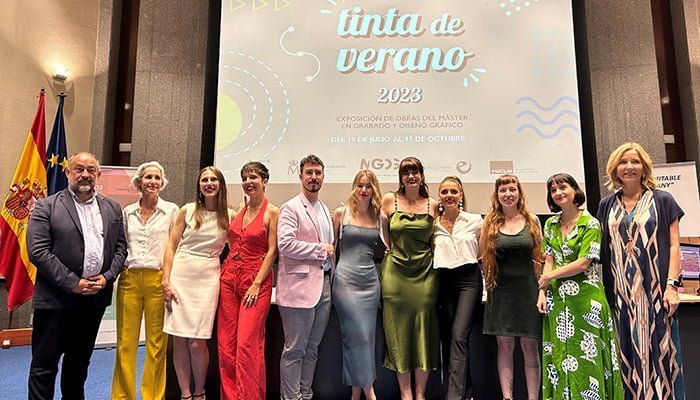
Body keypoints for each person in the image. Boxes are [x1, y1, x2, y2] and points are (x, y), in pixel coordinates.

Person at [27, 152, 127, 400]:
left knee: (78, 365)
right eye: (79, 169)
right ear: (68, 173)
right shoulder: (46, 206)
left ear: (98, 174)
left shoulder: (112, 208)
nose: (85, 175)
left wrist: (107, 277)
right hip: (56, 300)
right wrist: (73, 283)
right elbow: (38, 251)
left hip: (93, 301)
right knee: (44, 366)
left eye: (91, 170)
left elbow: (120, 248)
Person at [597, 142, 685, 399]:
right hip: (620, 297)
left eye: (635, 161)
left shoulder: (663, 200)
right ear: (615, 168)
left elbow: (674, 246)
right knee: (625, 355)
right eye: (623, 162)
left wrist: (672, 286)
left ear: (644, 167)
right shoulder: (606, 205)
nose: (629, 167)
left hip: (655, 294)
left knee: (662, 355)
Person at [536, 173, 623, 399]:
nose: (558, 193)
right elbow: (549, 260)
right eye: (553, 190)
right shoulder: (550, 224)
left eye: (562, 187)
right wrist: (542, 292)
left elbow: (584, 263)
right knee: (559, 354)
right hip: (557, 300)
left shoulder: (590, 223)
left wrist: (549, 277)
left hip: (586, 300)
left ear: (575, 190)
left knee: (587, 356)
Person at [112, 161, 179, 400]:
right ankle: (123, 396)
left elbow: (175, 247)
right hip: (130, 279)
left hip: (158, 280)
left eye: (157, 178)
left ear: (162, 183)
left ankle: (153, 396)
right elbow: (120, 244)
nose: (153, 181)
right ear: (139, 182)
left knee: (157, 344)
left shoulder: (172, 211)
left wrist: (168, 279)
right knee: (125, 343)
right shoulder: (127, 212)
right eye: (148, 177)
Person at [162, 166, 230, 400]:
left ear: (220, 185)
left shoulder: (229, 215)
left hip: (208, 278)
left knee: (197, 343)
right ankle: (185, 394)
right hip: (181, 275)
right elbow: (171, 246)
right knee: (179, 339)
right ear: (199, 186)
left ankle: (200, 392)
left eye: (213, 180)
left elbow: (241, 246)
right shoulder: (187, 210)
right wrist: (165, 280)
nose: (209, 183)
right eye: (204, 180)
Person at [217, 161, 279, 400]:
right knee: (226, 346)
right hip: (229, 278)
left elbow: (272, 251)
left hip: (256, 281)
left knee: (246, 345)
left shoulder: (272, 212)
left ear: (264, 181)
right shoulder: (238, 209)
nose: (248, 182)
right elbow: (232, 241)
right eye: (245, 178)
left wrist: (256, 283)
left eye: (253, 177)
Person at [380, 156, 439, 400]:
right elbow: (377, 228)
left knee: (423, 330)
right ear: (401, 177)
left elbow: (437, 239)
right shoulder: (389, 200)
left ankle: (420, 394)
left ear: (422, 175)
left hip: (425, 274)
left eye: (415, 172)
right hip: (395, 274)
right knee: (398, 332)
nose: (411, 176)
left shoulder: (433, 204)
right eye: (406, 172)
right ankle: (406, 394)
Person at [276, 154, 335, 400]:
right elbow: (285, 244)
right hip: (298, 289)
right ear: (300, 176)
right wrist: (321, 250)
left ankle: (305, 394)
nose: (313, 177)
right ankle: (290, 397)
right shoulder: (290, 208)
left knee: (312, 349)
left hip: (324, 286)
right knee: (295, 350)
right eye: (309, 173)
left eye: (317, 173)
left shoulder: (325, 209)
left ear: (323, 176)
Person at [480, 174, 542, 400]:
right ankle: (508, 397)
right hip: (501, 293)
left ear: (519, 193)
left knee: (530, 347)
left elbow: (541, 259)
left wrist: (542, 291)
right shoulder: (490, 222)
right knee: (505, 347)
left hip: (528, 291)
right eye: (503, 190)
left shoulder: (532, 220)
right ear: (497, 195)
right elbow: (483, 258)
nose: (508, 194)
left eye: (512, 189)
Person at [332, 170, 389, 400]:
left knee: (365, 338)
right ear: (354, 187)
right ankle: (370, 393)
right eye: (360, 185)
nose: (364, 190)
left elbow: (390, 248)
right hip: (345, 281)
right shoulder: (341, 213)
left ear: (374, 189)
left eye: (368, 186)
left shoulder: (381, 217)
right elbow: (331, 250)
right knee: (357, 336)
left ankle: (356, 395)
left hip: (370, 283)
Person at [433, 176, 483, 400]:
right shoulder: (433, 224)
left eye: (454, 191)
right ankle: (467, 393)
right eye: (444, 192)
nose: (449, 195)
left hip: (468, 280)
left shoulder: (475, 220)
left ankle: (453, 396)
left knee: (459, 335)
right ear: (439, 196)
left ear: (461, 195)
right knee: (449, 339)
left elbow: (483, 251)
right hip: (443, 280)